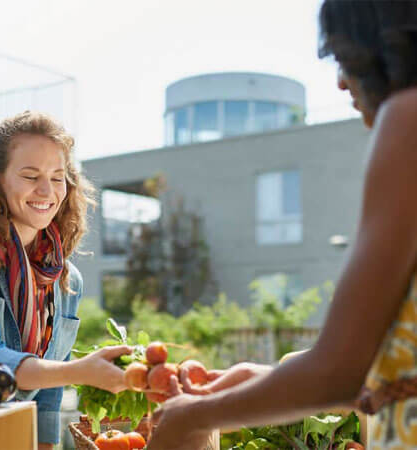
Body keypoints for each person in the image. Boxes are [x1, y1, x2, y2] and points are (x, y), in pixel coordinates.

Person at [147, 1, 417, 449]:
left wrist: (189, 417)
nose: (340, 80)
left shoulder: (407, 118)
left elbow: (336, 374)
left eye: (346, 57)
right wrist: (265, 380)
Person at [0, 112, 131, 449]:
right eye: (30, 175)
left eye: (58, 177)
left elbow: (47, 395)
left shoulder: (66, 280)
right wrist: (82, 371)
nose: (46, 191)